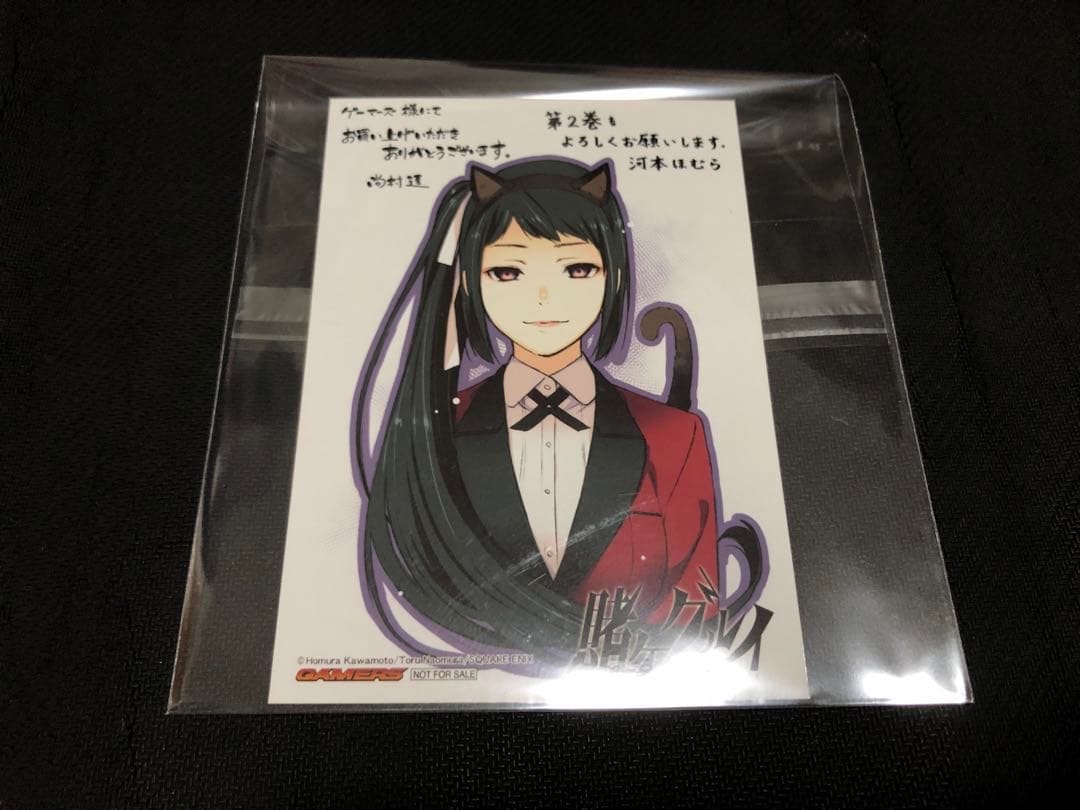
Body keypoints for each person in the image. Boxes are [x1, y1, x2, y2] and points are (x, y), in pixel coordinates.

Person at [357, 157, 722, 662]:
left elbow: (695, 612)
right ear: (470, 282)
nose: (544, 296)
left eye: (578, 269)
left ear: (613, 276)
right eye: (508, 272)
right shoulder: (435, 438)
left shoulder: (674, 436)